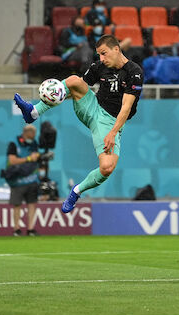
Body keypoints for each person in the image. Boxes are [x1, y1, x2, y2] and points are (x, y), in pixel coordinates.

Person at [13, 35, 143, 213]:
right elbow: (76, 88)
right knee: (74, 80)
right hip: (92, 107)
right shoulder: (99, 66)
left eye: (104, 54)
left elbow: (126, 108)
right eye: (99, 55)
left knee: (107, 168)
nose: (101, 59)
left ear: (116, 49)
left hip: (110, 122)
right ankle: (34, 112)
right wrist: (55, 95)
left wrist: (113, 132)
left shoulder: (134, 72)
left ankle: (76, 191)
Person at [6, 124, 40, 236]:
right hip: (18, 180)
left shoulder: (34, 143)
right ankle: (16, 229)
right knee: (17, 205)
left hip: (32, 179)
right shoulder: (14, 143)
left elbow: (36, 159)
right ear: (26, 132)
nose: (34, 136)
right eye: (32, 134)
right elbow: (12, 161)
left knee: (32, 204)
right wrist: (29, 158)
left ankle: (30, 229)